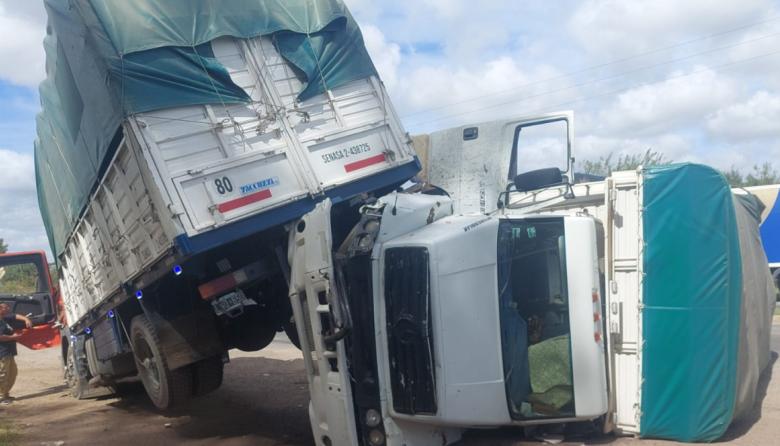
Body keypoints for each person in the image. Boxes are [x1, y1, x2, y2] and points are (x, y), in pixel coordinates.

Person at [0, 303, 32, 405]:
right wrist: (14, 337)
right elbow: (1, 337)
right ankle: (2, 397)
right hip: (2, 352)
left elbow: (16, 316)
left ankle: (5, 394)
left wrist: (27, 320)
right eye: (5, 307)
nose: (8, 308)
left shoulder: (4, 318)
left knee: (12, 373)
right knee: (3, 374)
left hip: (9, 352)